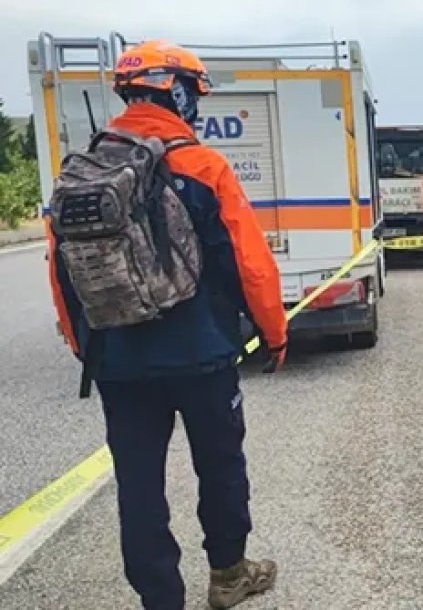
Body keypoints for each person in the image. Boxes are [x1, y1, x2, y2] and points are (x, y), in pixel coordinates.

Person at [46, 40, 287, 610]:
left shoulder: (83, 170)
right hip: (202, 357)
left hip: (120, 364)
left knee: (138, 485)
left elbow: (62, 273)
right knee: (221, 465)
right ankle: (229, 575)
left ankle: (160, 600)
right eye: (195, 94)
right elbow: (250, 262)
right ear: (177, 92)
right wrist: (273, 333)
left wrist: (89, 349)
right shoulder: (203, 164)